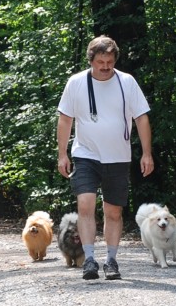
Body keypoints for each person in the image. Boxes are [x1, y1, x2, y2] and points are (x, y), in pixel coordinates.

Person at [56, 35, 154, 280]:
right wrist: (62, 154)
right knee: (86, 204)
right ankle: (89, 259)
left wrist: (147, 153)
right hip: (86, 154)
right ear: (91, 60)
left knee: (114, 212)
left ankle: (111, 260)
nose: (105, 66)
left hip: (118, 156)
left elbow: (141, 117)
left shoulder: (127, 82)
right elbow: (65, 119)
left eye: (109, 61)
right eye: (100, 61)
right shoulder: (76, 83)